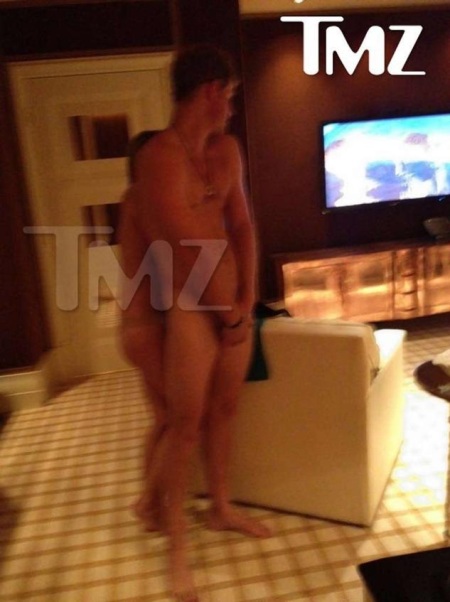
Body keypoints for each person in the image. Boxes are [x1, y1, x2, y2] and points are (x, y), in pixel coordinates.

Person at [118, 44, 271, 602]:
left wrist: (246, 298)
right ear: (211, 91)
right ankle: (177, 549)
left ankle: (222, 508)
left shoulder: (228, 151)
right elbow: (179, 248)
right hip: (191, 307)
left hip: (232, 303)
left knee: (224, 410)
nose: (230, 107)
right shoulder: (157, 157)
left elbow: (243, 226)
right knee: (183, 424)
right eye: (228, 96)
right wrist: (224, 313)